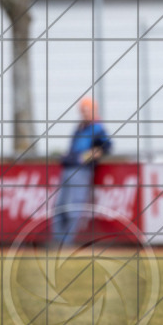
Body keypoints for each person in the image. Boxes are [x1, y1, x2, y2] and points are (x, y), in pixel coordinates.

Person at [51, 97, 112, 248]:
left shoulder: (98, 128)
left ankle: (66, 243)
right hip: (68, 169)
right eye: (83, 110)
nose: (84, 113)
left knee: (73, 207)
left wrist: (88, 156)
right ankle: (58, 241)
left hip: (82, 171)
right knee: (60, 206)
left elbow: (106, 147)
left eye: (87, 110)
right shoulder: (79, 127)